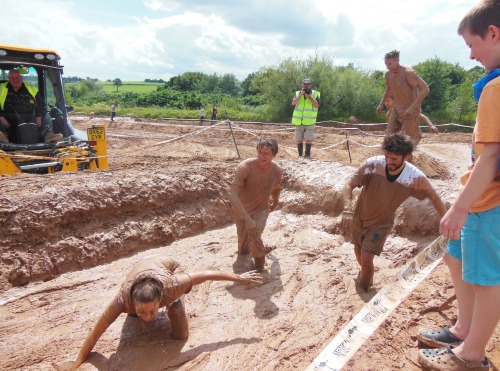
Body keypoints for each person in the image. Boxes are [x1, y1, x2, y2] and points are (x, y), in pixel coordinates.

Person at [417, 1, 500, 370]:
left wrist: (461, 205)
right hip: (482, 197)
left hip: (489, 200)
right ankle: (464, 328)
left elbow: (491, 156)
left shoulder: (496, 88)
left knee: (486, 280)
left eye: (471, 43)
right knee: (455, 256)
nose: (469, 54)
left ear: (494, 33)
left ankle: (471, 355)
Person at [71, 257, 263, 370]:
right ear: (133, 303)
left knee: (181, 333)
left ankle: (174, 304)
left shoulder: (172, 286)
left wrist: (239, 278)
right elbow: (96, 332)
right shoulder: (123, 301)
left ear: (160, 299)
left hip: (169, 268)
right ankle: (140, 311)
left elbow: (205, 275)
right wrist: (77, 363)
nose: (148, 317)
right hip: (137, 273)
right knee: (132, 317)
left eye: (152, 311)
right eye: (142, 312)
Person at [341, 133, 447, 292]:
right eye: (387, 157)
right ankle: (365, 276)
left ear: (407, 157)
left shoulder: (414, 177)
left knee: (366, 256)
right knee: (358, 251)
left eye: (394, 159)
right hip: (359, 216)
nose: (389, 162)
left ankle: (363, 292)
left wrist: (447, 221)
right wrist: (347, 209)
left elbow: (434, 198)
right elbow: (348, 185)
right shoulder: (373, 165)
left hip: (381, 223)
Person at [230, 137, 283, 271]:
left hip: (261, 209)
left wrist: (275, 201)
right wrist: (246, 218)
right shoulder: (245, 167)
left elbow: (276, 187)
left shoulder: (276, 170)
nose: (262, 156)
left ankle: (260, 267)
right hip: (241, 210)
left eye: (266, 153)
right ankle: (248, 256)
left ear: (273, 155)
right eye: (259, 152)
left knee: (254, 233)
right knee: (243, 249)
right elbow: (233, 194)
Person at [376, 50, 430, 147]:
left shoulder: (408, 73)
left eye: (390, 64)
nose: (387, 66)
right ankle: (390, 160)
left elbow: (425, 89)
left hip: (410, 113)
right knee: (389, 138)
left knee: (403, 142)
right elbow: (388, 89)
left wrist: (412, 107)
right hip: (397, 111)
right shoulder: (388, 75)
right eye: (386, 64)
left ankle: (407, 156)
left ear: (397, 61)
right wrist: (381, 104)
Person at [0, 69, 63, 143]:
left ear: (21, 78)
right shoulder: (1, 88)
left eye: (17, 77)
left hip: (30, 118)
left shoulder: (31, 89)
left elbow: (41, 104)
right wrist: (1, 117)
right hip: (8, 119)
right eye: (12, 78)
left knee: (46, 115)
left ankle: (48, 135)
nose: (15, 80)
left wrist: (39, 116)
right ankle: (3, 137)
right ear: (9, 79)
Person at [291, 78, 321, 158]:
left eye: (308, 84)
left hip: (310, 121)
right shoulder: (298, 93)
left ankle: (307, 155)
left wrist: (310, 97)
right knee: (299, 139)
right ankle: (300, 156)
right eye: (304, 84)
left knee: (309, 139)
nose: (306, 86)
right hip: (298, 121)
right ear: (302, 85)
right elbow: (293, 103)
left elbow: (317, 105)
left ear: (310, 85)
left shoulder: (315, 94)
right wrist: (300, 95)